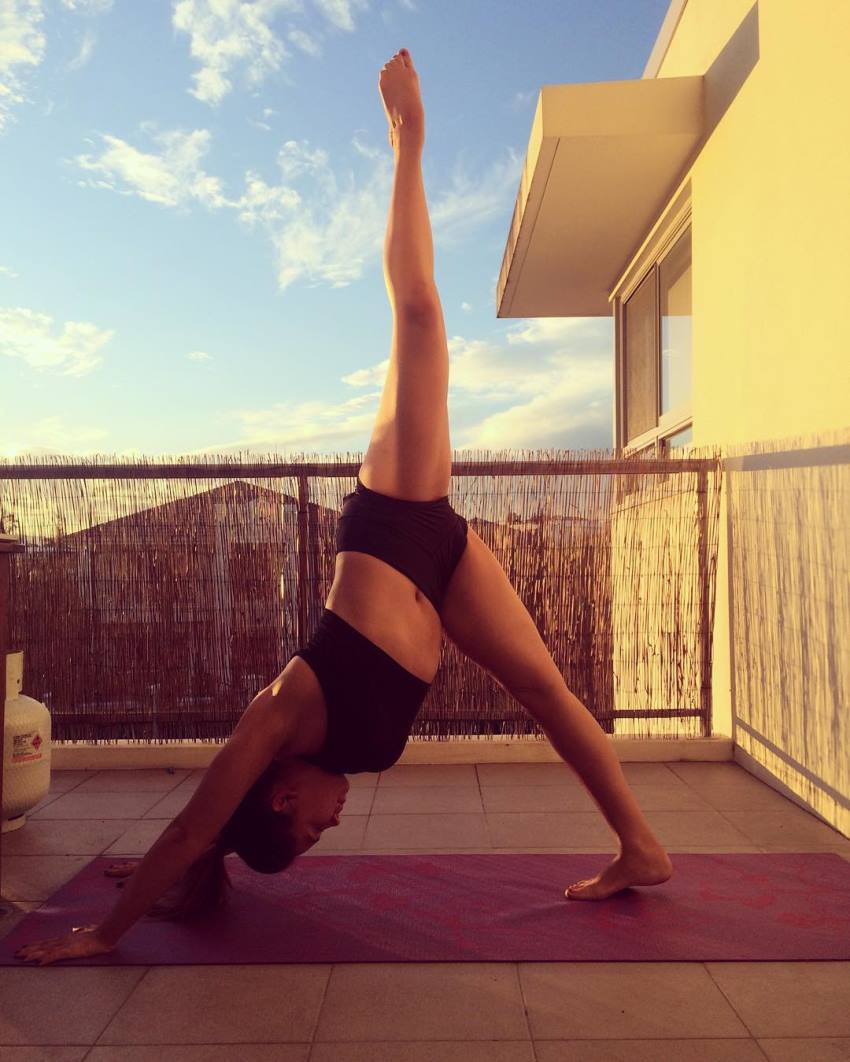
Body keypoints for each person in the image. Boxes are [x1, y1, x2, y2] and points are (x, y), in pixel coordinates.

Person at [15, 48, 672, 966]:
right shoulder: (324, 757)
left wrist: (104, 934)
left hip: (395, 520)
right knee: (546, 690)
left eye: (311, 832)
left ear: (281, 797)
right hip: (439, 559)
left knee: (418, 319)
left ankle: (407, 137)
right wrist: (161, 875)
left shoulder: (278, 716)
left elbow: (196, 825)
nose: (334, 825)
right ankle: (641, 847)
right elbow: (200, 845)